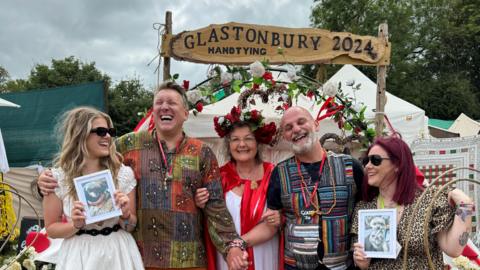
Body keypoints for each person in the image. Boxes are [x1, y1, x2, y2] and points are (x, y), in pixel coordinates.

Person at [38, 82, 249, 270]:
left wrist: (232, 246)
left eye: (172, 102)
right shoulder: (127, 145)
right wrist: (43, 183)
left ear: (186, 113)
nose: (164, 106)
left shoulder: (202, 152)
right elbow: (84, 161)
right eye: (159, 102)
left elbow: (216, 207)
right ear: (153, 111)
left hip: (188, 257)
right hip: (139, 256)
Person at [42, 106, 144, 269]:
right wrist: (74, 224)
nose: (108, 136)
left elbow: (130, 226)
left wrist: (125, 215)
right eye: (101, 131)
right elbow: (52, 229)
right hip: (79, 256)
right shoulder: (57, 178)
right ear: (80, 134)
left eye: (110, 131)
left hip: (118, 252)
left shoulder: (123, 174)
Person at [351, 136, 473, 269]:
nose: (368, 166)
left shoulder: (428, 201)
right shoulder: (365, 208)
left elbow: (453, 249)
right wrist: (362, 262)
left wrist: (465, 205)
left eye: (375, 160)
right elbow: (362, 261)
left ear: (397, 165)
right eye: (366, 161)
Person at [266, 106, 364, 270]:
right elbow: (275, 215)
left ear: (316, 124)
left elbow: (366, 208)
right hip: (296, 266)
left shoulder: (350, 166)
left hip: (342, 266)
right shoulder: (280, 172)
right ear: (285, 136)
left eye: (301, 122)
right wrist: (277, 219)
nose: (296, 129)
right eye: (288, 128)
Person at [194, 106, 280, 270]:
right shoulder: (218, 177)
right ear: (228, 144)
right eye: (235, 139)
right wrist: (199, 203)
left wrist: (280, 217)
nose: (242, 144)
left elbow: (285, 213)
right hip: (230, 257)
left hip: (265, 253)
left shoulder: (273, 174)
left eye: (248, 138)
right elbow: (211, 221)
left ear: (257, 142)